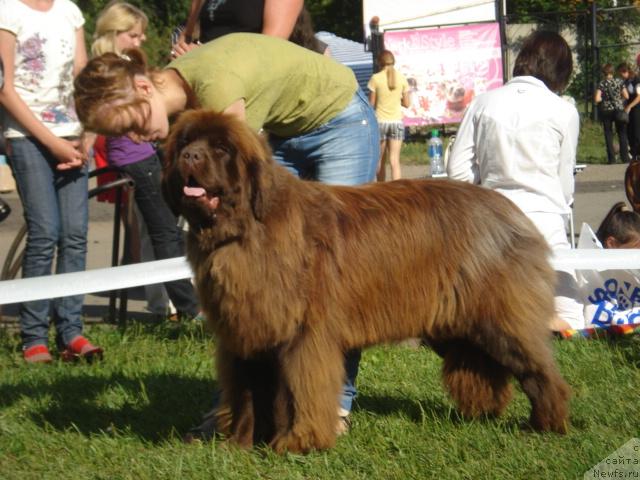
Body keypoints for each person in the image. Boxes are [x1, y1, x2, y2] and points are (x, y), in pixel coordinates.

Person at [73, 32, 379, 434]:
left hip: (338, 119)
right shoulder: (187, 93)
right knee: (258, 281)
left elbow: (236, 186)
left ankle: (332, 407)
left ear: (145, 87)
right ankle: (243, 412)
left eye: (132, 123)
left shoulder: (216, 90)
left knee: (332, 276)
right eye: (121, 135)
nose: (133, 138)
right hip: (285, 130)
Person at [447, 30, 585, 332]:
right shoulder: (564, 110)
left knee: (489, 310)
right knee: (571, 317)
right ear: (561, 71)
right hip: (546, 219)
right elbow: (565, 180)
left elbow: (457, 171)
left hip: (493, 219)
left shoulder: (483, 103)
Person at [0, 0, 102, 363]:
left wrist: (89, 129)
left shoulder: (70, 12)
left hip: (72, 135)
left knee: (75, 234)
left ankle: (71, 331)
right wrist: (52, 142)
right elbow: (4, 88)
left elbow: (83, 73)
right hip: (27, 137)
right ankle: (34, 335)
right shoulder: (6, 11)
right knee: (45, 232)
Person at [91, 1, 200, 322]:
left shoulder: (112, 64)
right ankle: (187, 306)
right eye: (133, 35)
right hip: (135, 157)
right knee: (165, 232)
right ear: (114, 33)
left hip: (142, 153)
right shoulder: (111, 67)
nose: (139, 42)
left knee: (160, 230)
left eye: (141, 36)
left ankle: (174, 302)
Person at [171, 0, 303, 57]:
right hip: (199, 74)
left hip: (243, 85)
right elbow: (187, 34)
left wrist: (207, 54)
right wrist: (180, 51)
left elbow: (269, 49)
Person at [368, 50, 410, 181]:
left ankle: (382, 189)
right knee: (394, 161)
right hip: (396, 123)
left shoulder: (375, 78)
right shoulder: (402, 78)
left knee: (380, 159)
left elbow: (371, 104)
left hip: (380, 122)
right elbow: (407, 104)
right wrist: (397, 99)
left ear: (379, 62)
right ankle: (398, 190)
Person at [595, 63, 629, 164]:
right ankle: (625, 158)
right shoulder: (619, 82)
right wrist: (619, 101)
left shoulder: (602, 84)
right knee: (622, 133)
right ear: (612, 72)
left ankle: (611, 159)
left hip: (606, 111)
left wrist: (604, 99)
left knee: (608, 134)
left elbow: (597, 99)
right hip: (618, 110)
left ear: (603, 73)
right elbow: (626, 96)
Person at [621, 61, 640, 161]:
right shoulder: (626, 82)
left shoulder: (636, 80)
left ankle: (637, 154)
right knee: (629, 131)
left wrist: (630, 106)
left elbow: (639, 97)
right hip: (630, 109)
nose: (621, 76)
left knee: (636, 132)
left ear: (626, 71)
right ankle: (633, 154)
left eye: (622, 74)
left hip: (637, 108)